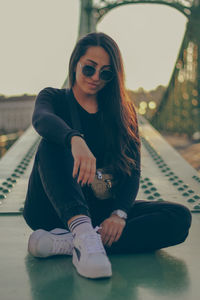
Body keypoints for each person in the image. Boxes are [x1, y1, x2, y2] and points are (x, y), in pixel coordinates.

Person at [23, 32, 192, 279]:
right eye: (89, 68)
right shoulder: (54, 99)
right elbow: (41, 119)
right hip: (51, 211)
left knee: (179, 218)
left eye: (106, 73)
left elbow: (132, 173)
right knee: (53, 141)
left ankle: (73, 244)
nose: (95, 78)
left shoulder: (124, 114)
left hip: (99, 212)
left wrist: (119, 214)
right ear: (75, 63)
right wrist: (74, 138)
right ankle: (80, 231)